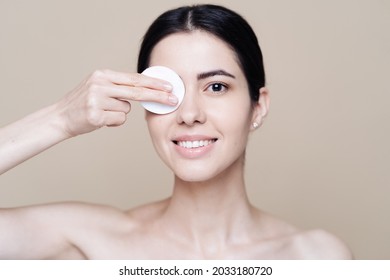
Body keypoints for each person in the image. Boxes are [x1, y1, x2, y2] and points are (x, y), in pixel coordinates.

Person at [0, 4, 352, 259]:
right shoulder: (93, 242)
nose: (189, 114)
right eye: (167, 92)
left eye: (216, 87)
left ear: (257, 106)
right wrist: (60, 118)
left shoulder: (316, 257)